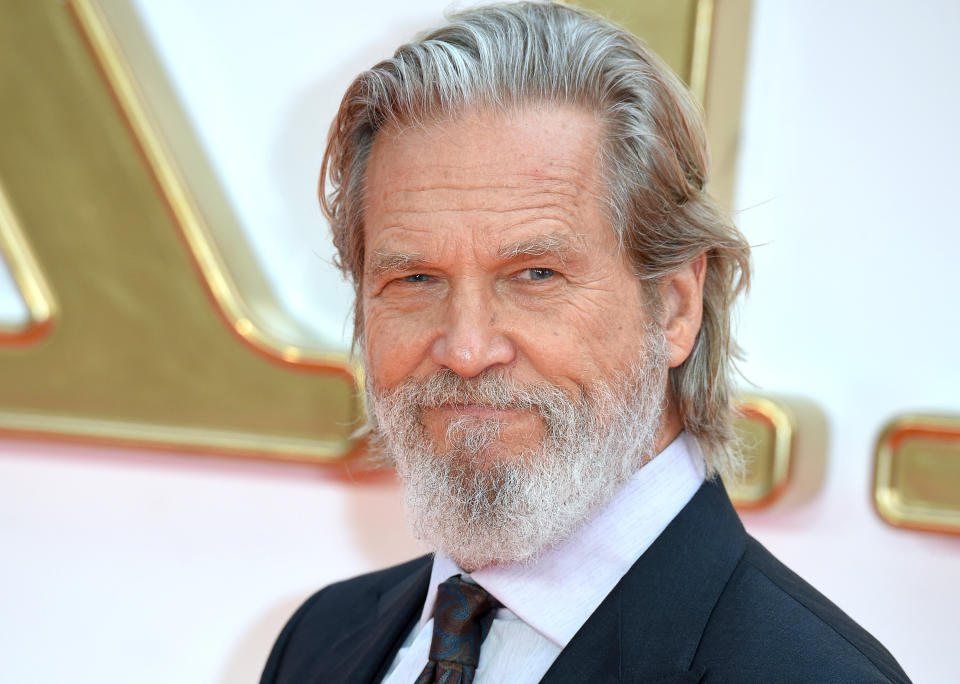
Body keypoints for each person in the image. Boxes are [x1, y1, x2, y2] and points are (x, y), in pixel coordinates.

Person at [261, 2, 909, 682]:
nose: (467, 348)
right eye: (415, 277)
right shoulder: (317, 642)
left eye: (535, 274)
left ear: (675, 307)